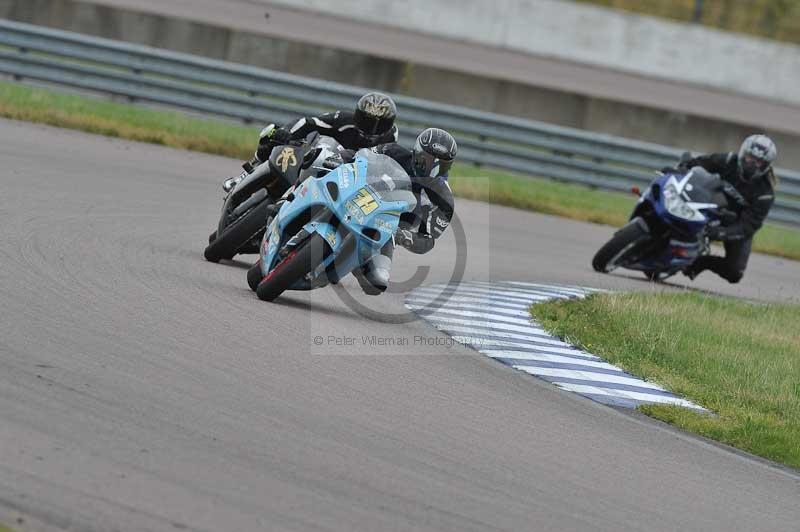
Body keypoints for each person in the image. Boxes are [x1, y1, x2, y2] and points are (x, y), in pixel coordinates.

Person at [351, 128, 457, 295]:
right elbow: (359, 157)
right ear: (417, 152)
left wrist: (405, 237)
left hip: (391, 224)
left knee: (377, 281)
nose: (432, 170)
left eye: (440, 165)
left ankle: (365, 260)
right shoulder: (393, 151)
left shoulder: (444, 201)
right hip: (361, 196)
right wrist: (341, 159)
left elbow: (428, 240)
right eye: (429, 161)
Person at [681, 134, 778, 284]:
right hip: (710, 204)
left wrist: (721, 232)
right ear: (743, 154)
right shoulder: (728, 160)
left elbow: (748, 226)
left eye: (758, 161)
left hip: (735, 223)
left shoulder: (765, 194)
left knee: (735, 272)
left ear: (766, 165)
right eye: (749, 157)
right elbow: (699, 163)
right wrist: (681, 168)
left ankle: (700, 262)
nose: (751, 163)